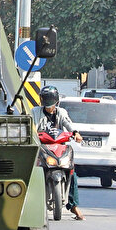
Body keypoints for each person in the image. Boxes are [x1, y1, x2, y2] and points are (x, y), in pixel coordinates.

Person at [31, 86, 85, 220]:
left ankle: (73, 205)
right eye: (47, 104)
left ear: (57, 102)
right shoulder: (35, 112)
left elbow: (68, 124)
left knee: (72, 172)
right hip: (42, 148)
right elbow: (32, 126)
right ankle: (30, 204)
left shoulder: (61, 112)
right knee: (32, 172)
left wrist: (75, 133)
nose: (49, 108)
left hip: (60, 148)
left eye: (52, 104)